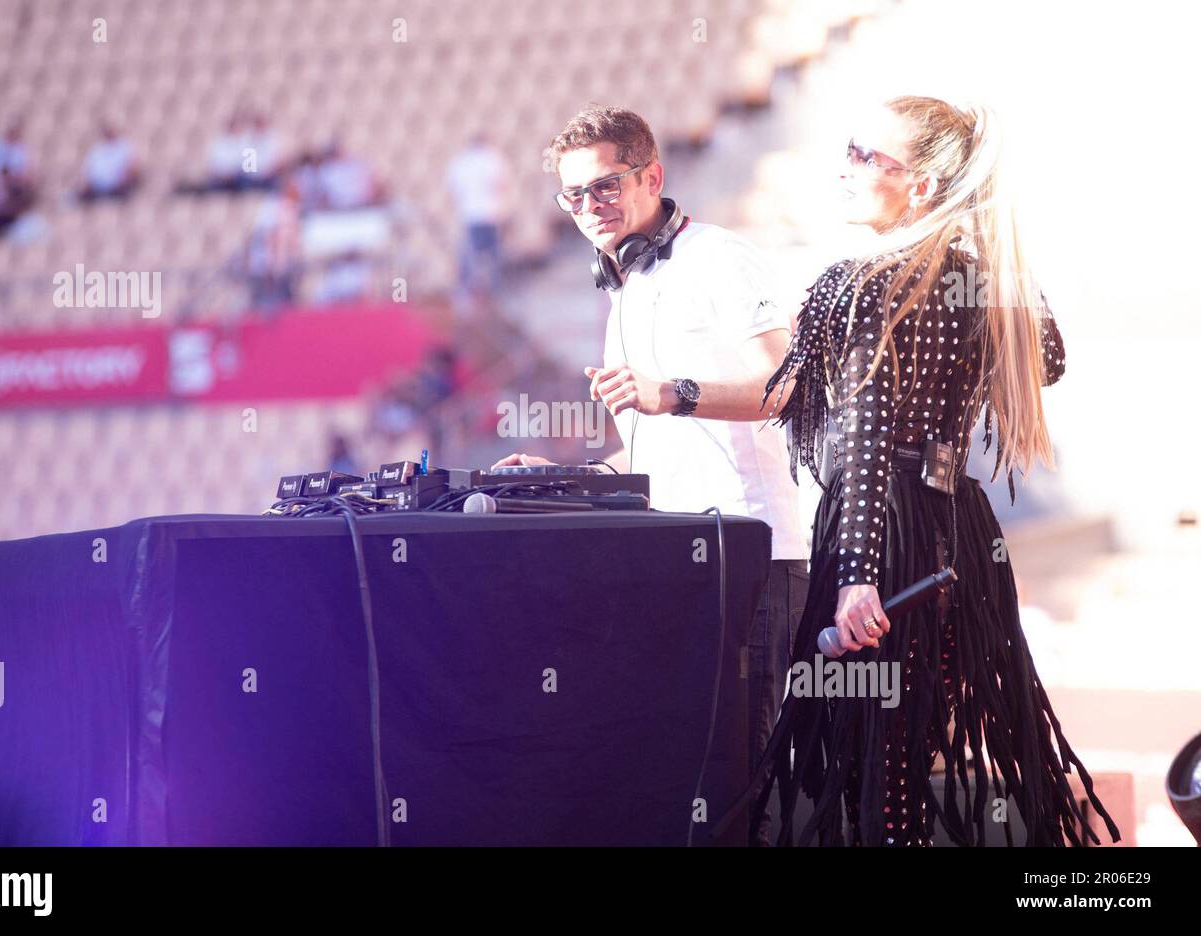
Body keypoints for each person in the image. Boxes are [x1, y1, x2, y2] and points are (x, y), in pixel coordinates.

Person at [750, 96, 1120, 846]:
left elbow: (865, 434)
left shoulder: (860, 283)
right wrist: (989, 247)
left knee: (876, 756)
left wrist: (855, 573)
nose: (846, 168)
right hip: (957, 530)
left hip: (881, 531)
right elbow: (1048, 355)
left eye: (866, 157)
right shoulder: (977, 284)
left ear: (920, 186)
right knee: (910, 741)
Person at [491, 106, 810, 836]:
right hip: (679, 563)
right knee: (689, 781)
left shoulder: (720, 258)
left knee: (752, 788)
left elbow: (785, 387)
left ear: (652, 176)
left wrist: (673, 392)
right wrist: (564, 478)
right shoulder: (623, 288)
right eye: (572, 195)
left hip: (753, 559)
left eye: (604, 187)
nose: (587, 208)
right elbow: (649, 452)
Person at [446, 134, 510, 301]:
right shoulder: (493, 158)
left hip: (470, 216)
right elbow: (501, 185)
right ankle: (496, 296)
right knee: (494, 261)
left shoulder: (460, 162)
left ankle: (467, 297)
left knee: (470, 261)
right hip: (491, 215)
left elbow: (453, 190)